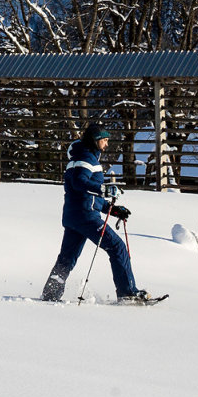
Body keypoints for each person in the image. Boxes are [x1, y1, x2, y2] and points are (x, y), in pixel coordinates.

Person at [40, 123, 147, 303]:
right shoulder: (86, 159)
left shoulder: (81, 157)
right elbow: (79, 183)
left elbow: (87, 195)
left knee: (67, 258)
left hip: (74, 216)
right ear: (94, 141)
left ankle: (50, 294)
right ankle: (128, 293)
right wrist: (104, 189)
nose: (106, 144)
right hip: (86, 217)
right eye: (104, 140)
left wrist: (112, 209)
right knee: (117, 247)